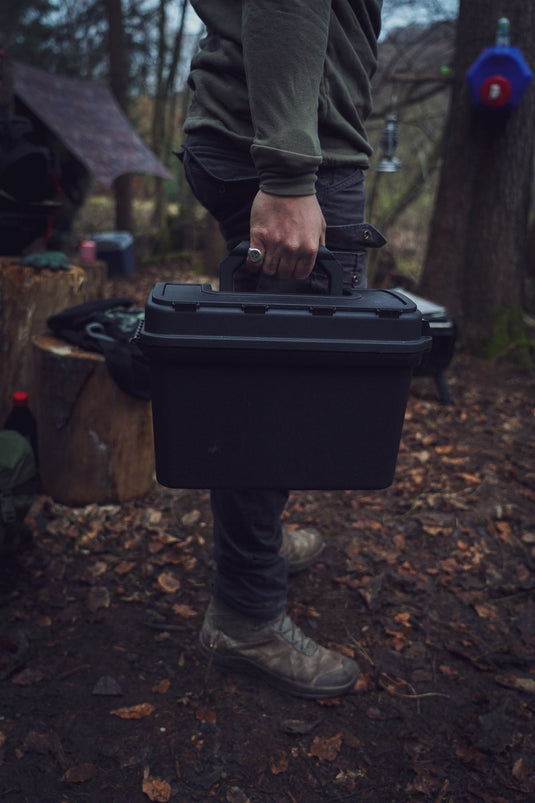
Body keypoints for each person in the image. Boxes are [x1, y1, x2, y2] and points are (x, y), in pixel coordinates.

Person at [178, 0, 384, 699]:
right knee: (273, 388)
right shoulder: (289, 164)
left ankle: (253, 549)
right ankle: (245, 609)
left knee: (273, 374)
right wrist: (289, 172)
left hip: (268, 132)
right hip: (286, 149)